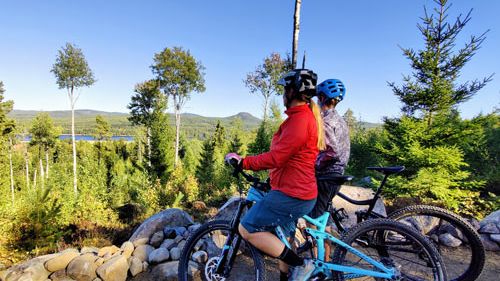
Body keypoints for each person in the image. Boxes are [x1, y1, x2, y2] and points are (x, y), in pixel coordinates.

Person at [225, 69, 325, 281]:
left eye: (284, 89)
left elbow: (277, 157)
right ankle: (286, 277)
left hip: (293, 194)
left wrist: (244, 162)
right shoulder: (301, 118)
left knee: (247, 228)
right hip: (293, 190)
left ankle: (302, 265)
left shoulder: (300, 121)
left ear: (293, 92)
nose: (282, 94)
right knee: (284, 240)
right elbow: (286, 159)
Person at [308, 78, 350, 261]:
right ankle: (326, 262)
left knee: (316, 221)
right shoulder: (340, 120)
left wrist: (312, 166)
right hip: (337, 175)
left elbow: (331, 152)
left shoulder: (325, 121)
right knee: (324, 220)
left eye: (318, 97)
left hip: (326, 176)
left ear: (322, 98)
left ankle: (320, 266)